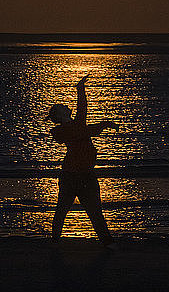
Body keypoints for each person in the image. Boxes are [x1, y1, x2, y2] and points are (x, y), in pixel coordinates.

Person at [46, 73, 118, 247]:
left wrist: (80, 89)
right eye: (62, 107)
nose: (65, 106)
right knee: (64, 211)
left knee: (93, 211)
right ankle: (55, 242)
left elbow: (82, 115)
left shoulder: (76, 126)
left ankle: (107, 242)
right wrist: (103, 125)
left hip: (85, 175)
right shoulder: (61, 131)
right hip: (72, 176)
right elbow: (82, 123)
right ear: (59, 114)